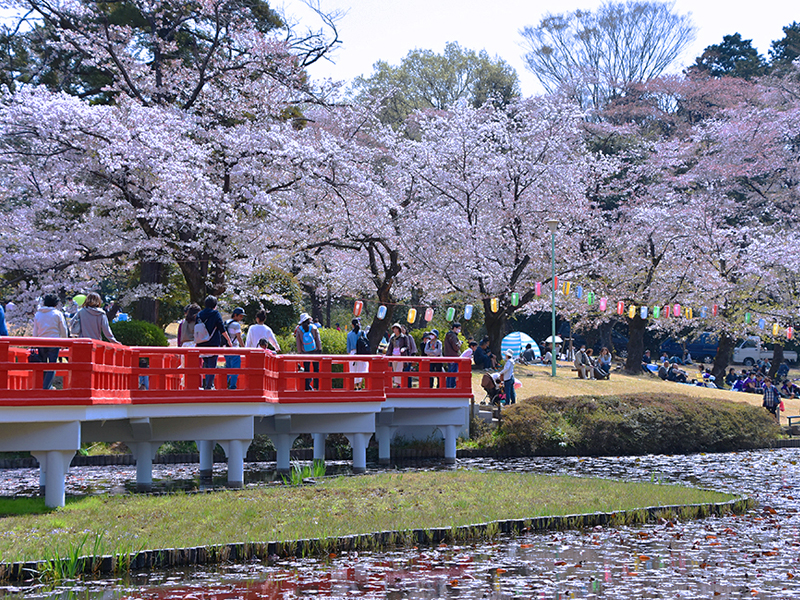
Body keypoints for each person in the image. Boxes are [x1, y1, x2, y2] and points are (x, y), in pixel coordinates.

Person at [32, 294, 68, 390]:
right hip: (54, 341)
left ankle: (44, 386)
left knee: (42, 364)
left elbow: (35, 330)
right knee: (52, 365)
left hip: (41, 341)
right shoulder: (57, 313)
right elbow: (63, 329)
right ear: (55, 303)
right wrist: (65, 342)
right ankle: (46, 387)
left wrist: (33, 343)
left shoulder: (38, 314)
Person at [197, 296, 232, 390]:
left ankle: (207, 384)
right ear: (215, 305)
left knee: (207, 364)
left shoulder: (199, 314)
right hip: (213, 343)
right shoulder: (215, 314)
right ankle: (209, 386)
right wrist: (228, 340)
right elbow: (222, 328)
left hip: (202, 343)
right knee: (212, 365)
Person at [295, 313, 321, 391]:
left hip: (305, 352)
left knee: (307, 369)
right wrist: (319, 349)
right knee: (316, 369)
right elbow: (318, 340)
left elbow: (298, 342)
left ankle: (307, 386)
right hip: (315, 351)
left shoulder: (299, 330)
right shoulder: (314, 327)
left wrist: (299, 352)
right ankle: (317, 386)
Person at [224, 307, 246, 389]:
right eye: (240, 316)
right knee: (236, 369)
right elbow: (239, 338)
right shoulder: (236, 325)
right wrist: (243, 348)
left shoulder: (226, 322)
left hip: (226, 349)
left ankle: (223, 385)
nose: (241, 318)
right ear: (235, 315)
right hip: (234, 349)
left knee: (228, 368)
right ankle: (232, 386)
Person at [346, 318, 369, 389]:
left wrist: (349, 353)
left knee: (353, 370)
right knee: (361, 369)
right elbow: (366, 343)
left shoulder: (349, 334)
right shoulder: (362, 333)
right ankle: (360, 385)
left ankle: (354, 386)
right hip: (361, 353)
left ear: (352, 325)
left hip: (353, 352)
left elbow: (348, 347)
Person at [385, 323, 409, 388]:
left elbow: (407, 346)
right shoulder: (392, 338)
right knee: (395, 370)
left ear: (399, 329)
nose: (395, 330)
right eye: (394, 329)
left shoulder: (404, 337)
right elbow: (390, 347)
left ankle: (399, 384)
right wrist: (387, 355)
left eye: (396, 328)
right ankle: (396, 383)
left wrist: (403, 349)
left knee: (399, 369)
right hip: (394, 355)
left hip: (401, 355)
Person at [443, 322, 463, 388]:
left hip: (448, 356)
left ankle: (448, 386)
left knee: (449, 372)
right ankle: (452, 386)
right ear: (454, 328)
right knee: (453, 372)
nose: (459, 330)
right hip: (454, 356)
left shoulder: (447, 335)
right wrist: (459, 344)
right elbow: (455, 347)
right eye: (458, 329)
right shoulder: (453, 336)